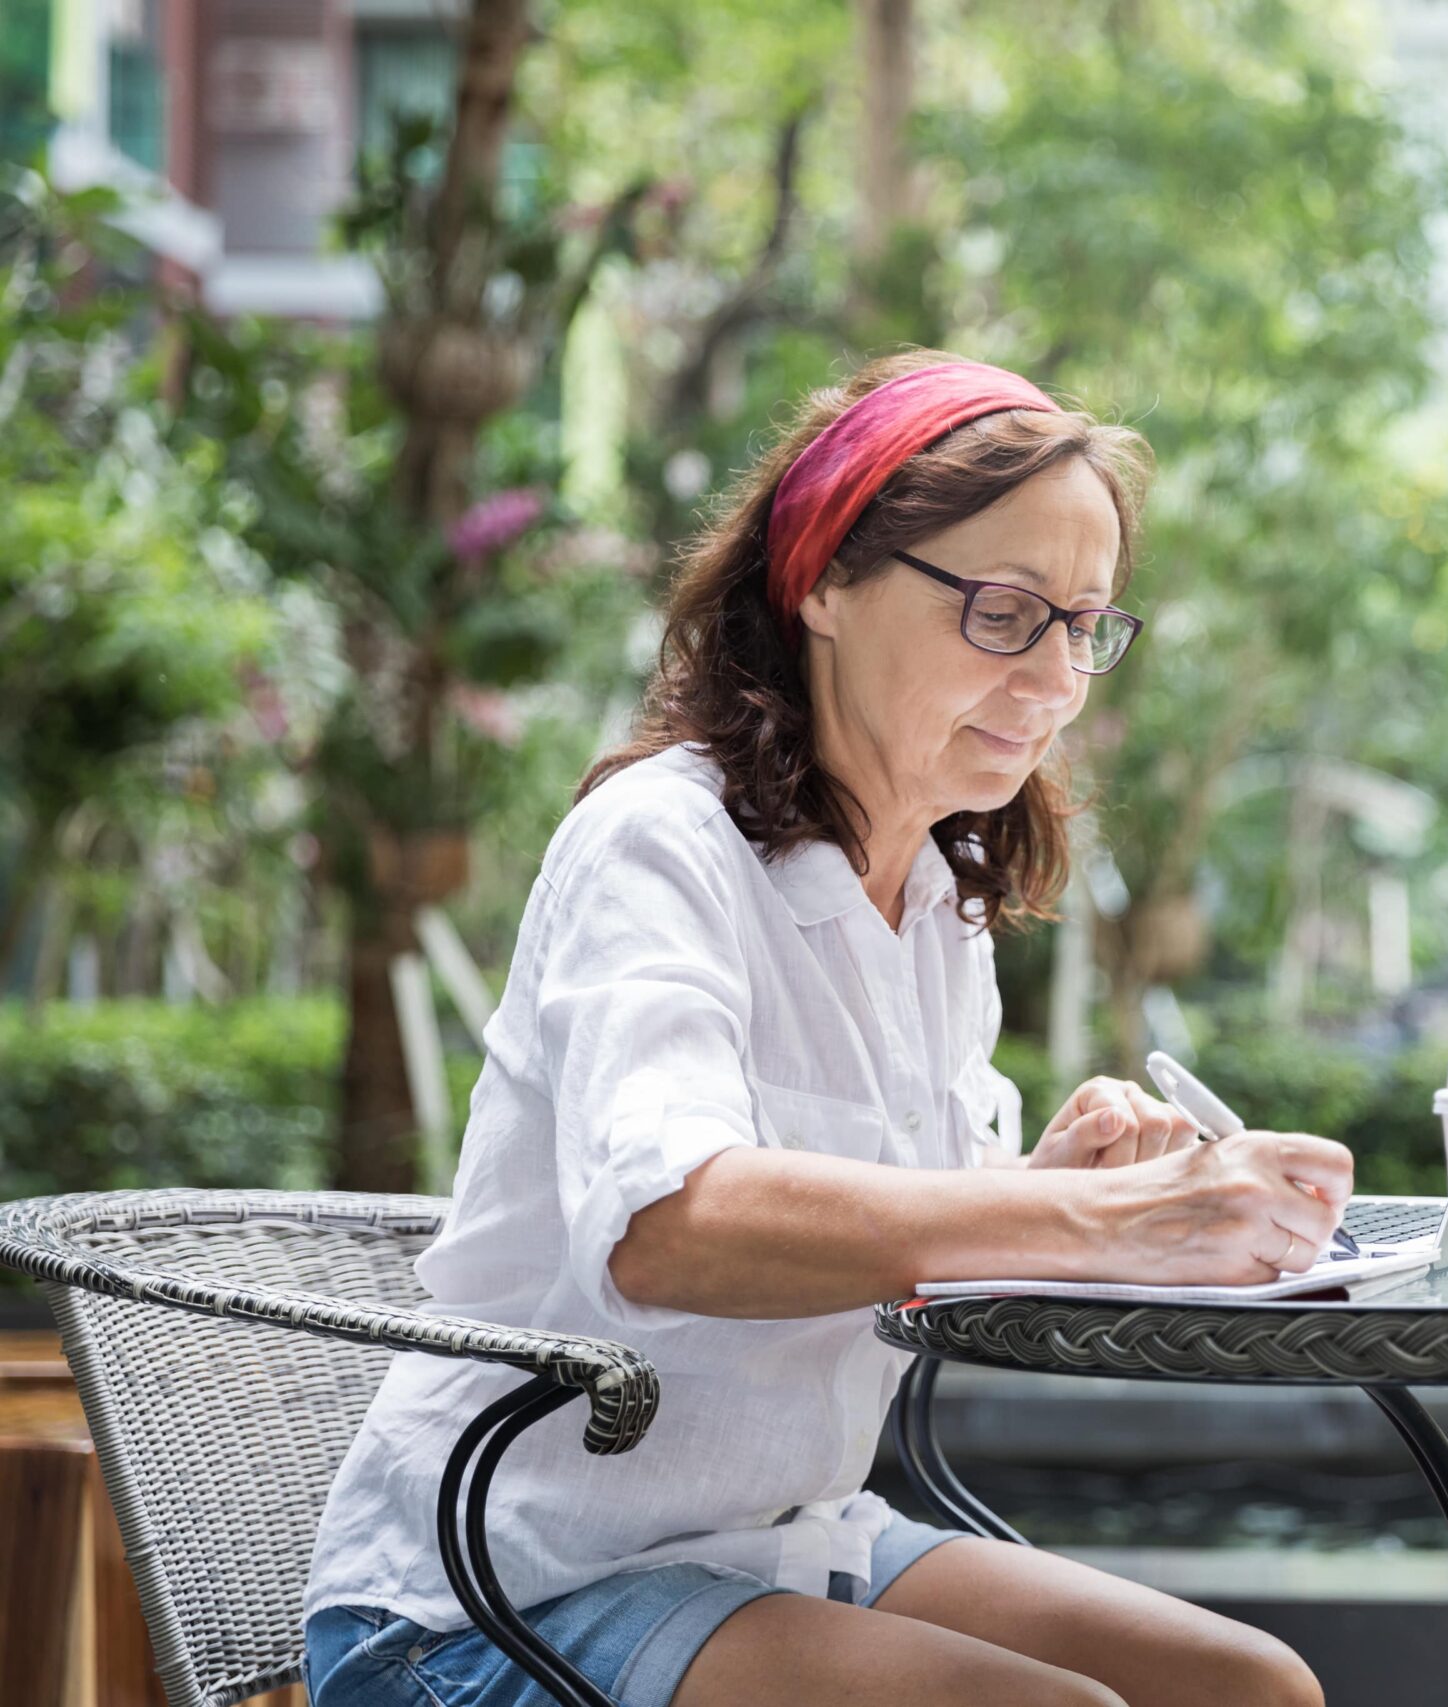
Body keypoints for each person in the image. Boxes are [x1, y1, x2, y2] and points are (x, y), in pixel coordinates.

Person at [302, 351, 1348, 1707]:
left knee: (1252, 1690)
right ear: (826, 583)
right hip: (500, 1586)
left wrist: (1049, 1191)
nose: (1053, 678)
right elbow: (668, 1224)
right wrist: (1108, 1224)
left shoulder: (931, 900)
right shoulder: (658, 844)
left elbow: (902, 1253)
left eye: (1083, 622)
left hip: (779, 1543)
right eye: (1002, 610)